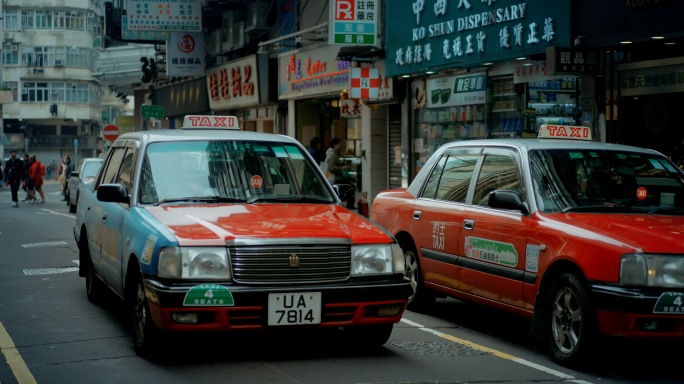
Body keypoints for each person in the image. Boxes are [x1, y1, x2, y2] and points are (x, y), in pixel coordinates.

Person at [325, 137, 356, 209]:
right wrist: (342, 168)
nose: (340, 145)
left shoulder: (332, 153)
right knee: (351, 187)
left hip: (336, 177)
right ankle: (349, 205)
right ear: (334, 145)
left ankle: (344, 204)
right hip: (336, 178)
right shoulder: (332, 154)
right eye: (338, 144)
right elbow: (331, 167)